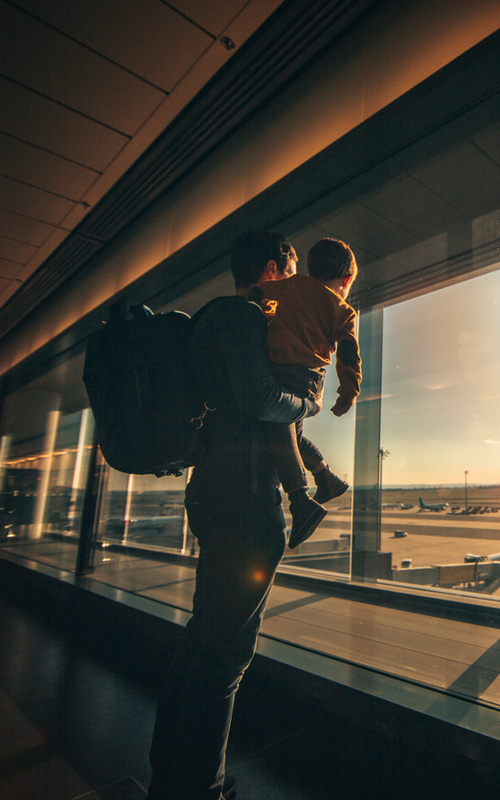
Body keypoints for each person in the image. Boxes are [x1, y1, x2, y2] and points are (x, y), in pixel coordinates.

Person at [147, 231, 320, 800]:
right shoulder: (246, 318)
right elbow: (262, 401)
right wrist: (308, 402)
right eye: (290, 275)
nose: (293, 287)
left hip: (212, 490)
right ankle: (201, 787)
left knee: (203, 639)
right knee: (226, 657)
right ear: (272, 270)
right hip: (246, 499)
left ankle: (169, 776)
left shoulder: (208, 320)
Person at [256, 236, 361, 549]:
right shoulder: (343, 310)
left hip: (282, 371)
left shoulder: (285, 287)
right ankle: (325, 479)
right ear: (347, 280)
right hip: (309, 379)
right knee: (290, 434)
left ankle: (301, 500)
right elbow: (349, 354)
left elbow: (259, 298)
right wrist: (348, 392)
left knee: (281, 431)